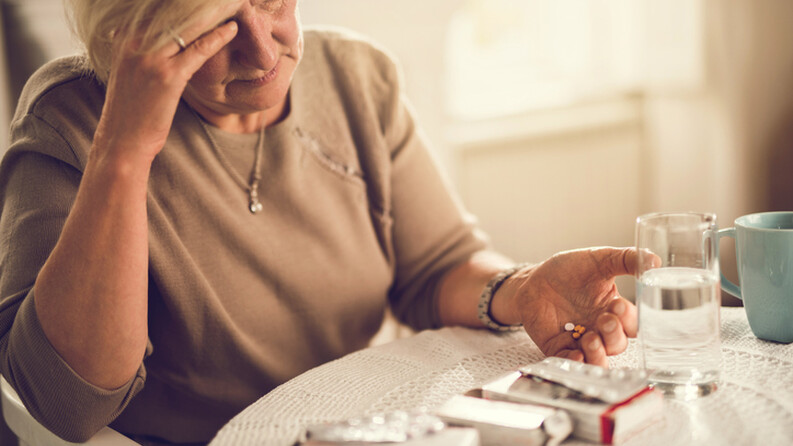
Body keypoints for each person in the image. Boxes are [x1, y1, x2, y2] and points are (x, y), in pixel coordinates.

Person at [0, 0, 640, 444]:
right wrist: (125, 152)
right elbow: (68, 401)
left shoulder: (355, 77)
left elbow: (435, 267)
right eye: (212, 30)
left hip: (364, 429)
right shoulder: (71, 123)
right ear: (131, 42)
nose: (261, 50)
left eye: (271, 1)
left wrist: (524, 288)